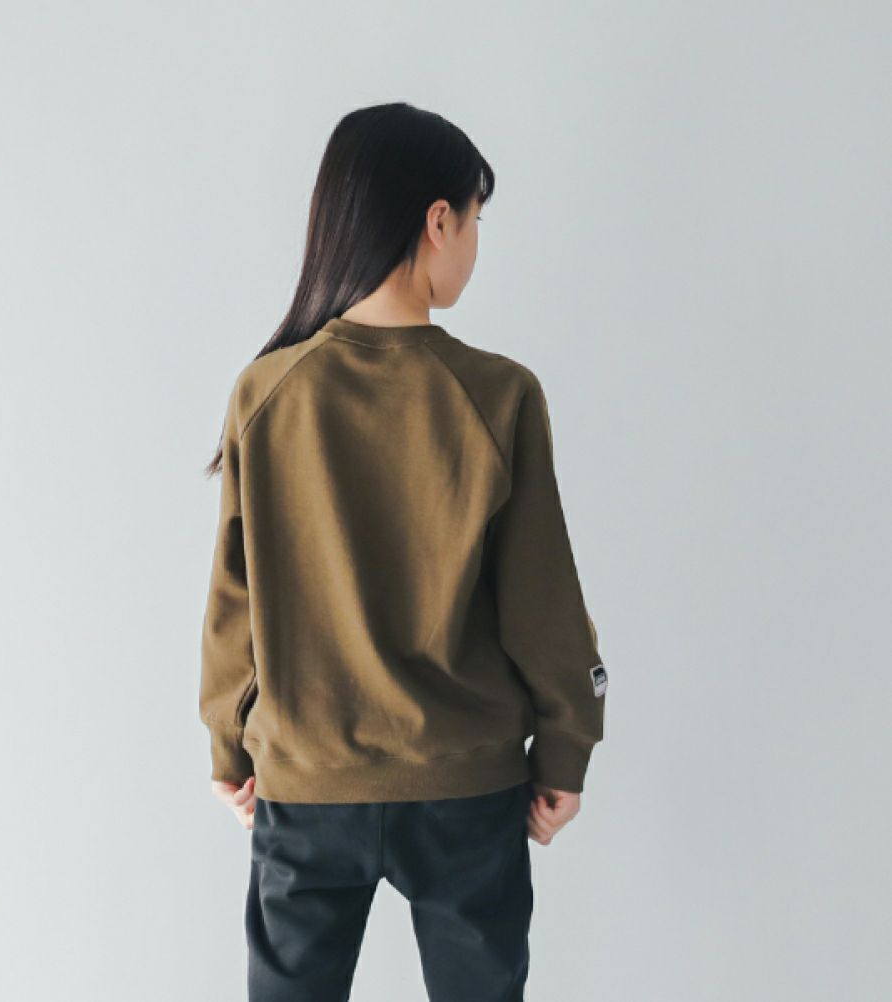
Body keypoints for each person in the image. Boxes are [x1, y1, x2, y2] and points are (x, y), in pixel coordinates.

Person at [198, 101, 608, 1002]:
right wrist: (565, 752)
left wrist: (229, 747)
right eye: (477, 218)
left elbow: (235, 601)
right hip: (467, 787)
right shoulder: (499, 395)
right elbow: (544, 602)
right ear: (438, 220)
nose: (474, 242)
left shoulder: (266, 393)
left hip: (307, 784)